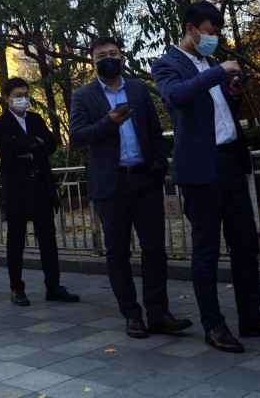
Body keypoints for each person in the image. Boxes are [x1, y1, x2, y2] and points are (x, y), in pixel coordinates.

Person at [152, 3, 260, 353]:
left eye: (218, 29)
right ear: (190, 29)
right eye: (210, 29)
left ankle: (251, 316)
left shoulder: (211, 65)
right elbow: (176, 97)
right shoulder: (166, 64)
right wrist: (217, 75)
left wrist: (232, 93)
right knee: (206, 250)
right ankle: (213, 325)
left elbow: (216, 113)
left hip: (232, 161)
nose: (215, 36)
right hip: (202, 170)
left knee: (246, 244)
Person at [70, 37, 191, 339]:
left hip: (145, 180)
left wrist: (158, 166)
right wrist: (108, 122)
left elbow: (153, 128)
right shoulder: (83, 96)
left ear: (122, 58)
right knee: (117, 253)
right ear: (93, 62)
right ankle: (132, 315)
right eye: (101, 55)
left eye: (114, 53)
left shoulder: (137, 89)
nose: (108, 58)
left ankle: (159, 313)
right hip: (111, 185)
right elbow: (78, 136)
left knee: (155, 250)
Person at [0, 77, 79, 307]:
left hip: (41, 185)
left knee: (48, 238)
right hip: (17, 189)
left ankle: (53, 286)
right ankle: (16, 288)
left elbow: (50, 144)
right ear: (7, 98)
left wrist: (29, 150)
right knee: (16, 240)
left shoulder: (37, 119)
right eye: (18, 95)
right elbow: (9, 148)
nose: (23, 99)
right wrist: (34, 143)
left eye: (25, 94)